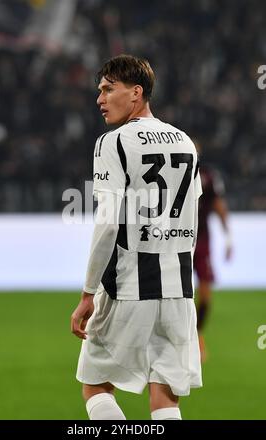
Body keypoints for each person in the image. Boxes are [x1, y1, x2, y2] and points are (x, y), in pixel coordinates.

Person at [71, 54, 203, 420]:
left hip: (130, 284)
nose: (100, 99)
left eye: (108, 89)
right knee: (166, 397)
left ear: (136, 93)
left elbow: (109, 222)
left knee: (95, 385)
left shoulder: (112, 143)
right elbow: (191, 217)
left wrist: (87, 292)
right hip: (178, 290)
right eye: (99, 90)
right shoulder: (185, 143)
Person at [193, 141, 232, 362]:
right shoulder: (170, 173)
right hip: (175, 241)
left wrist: (229, 238)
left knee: (206, 293)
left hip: (202, 242)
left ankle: (197, 334)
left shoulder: (208, 176)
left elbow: (218, 205)